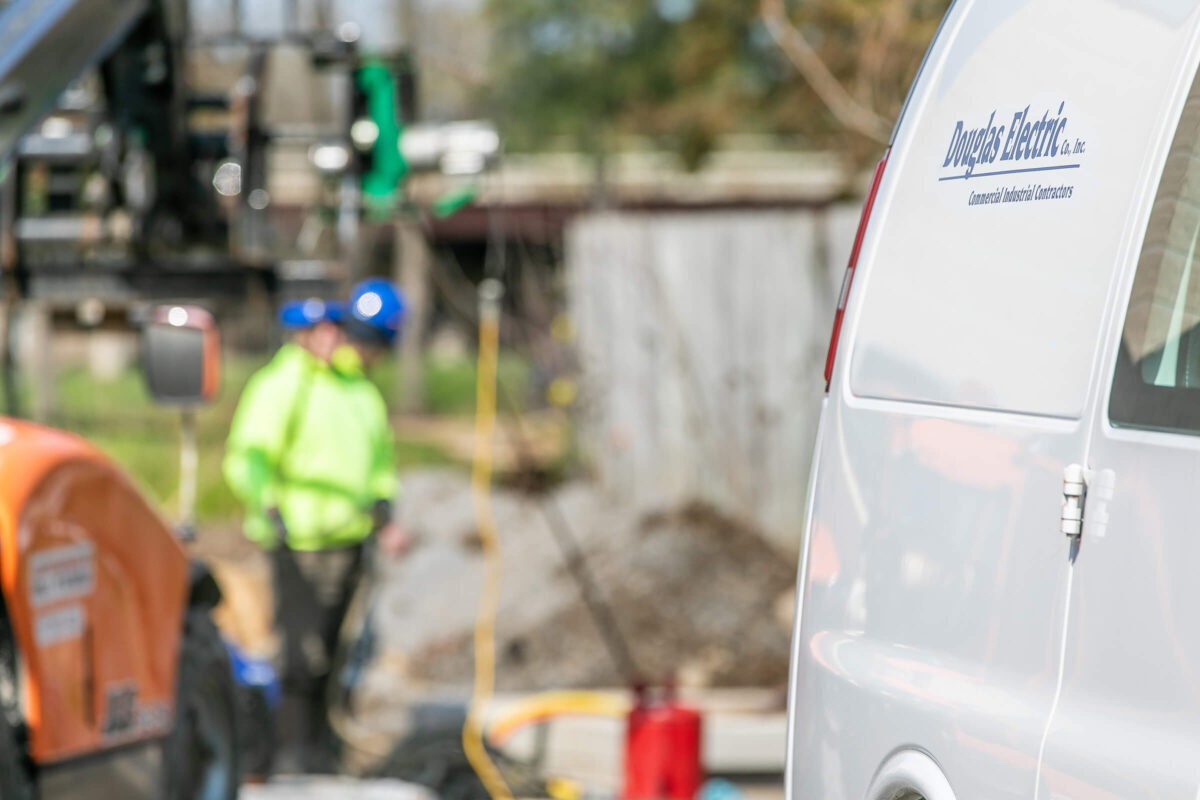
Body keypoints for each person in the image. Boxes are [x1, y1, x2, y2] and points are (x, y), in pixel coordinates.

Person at [223, 285, 407, 773]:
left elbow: (378, 461)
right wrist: (267, 503)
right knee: (299, 656)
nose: (330, 338)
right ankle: (290, 756)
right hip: (299, 542)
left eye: (334, 328)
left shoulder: (357, 389)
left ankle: (324, 752)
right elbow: (250, 455)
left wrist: (383, 507)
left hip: (349, 540)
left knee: (336, 654)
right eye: (319, 329)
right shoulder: (282, 384)